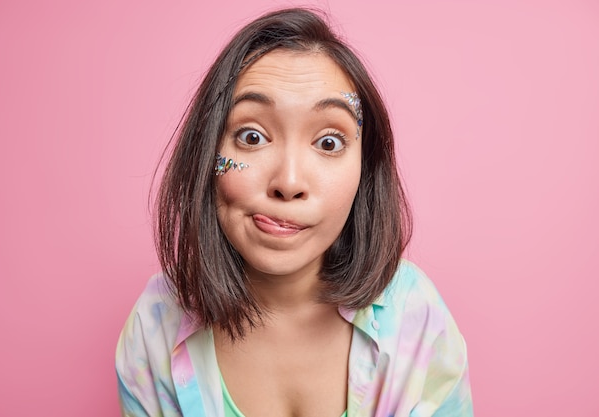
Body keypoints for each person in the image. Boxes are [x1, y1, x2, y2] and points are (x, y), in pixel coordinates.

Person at [116, 7, 473, 417]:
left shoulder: (416, 318)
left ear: (365, 169)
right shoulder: (155, 327)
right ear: (206, 153)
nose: (288, 181)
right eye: (252, 136)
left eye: (328, 143)